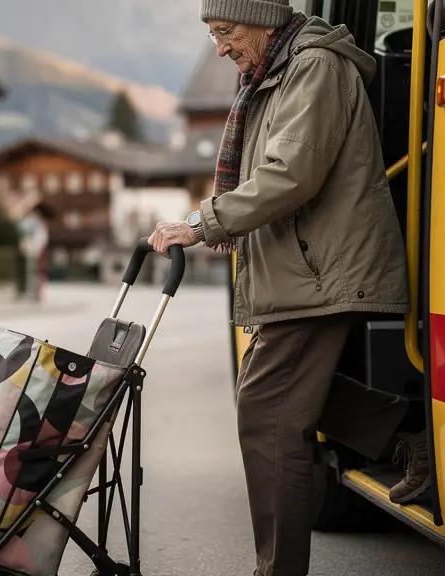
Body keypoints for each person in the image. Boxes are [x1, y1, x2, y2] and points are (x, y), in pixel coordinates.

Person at [147, 1, 430, 574]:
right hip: (302, 266)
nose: (221, 48)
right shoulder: (274, 74)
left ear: (263, 20)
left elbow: (290, 174)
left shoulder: (314, 67)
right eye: (213, 35)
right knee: (285, 393)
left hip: (322, 267)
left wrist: (202, 224)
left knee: (267, 408)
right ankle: (411, 434)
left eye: (225, 32)